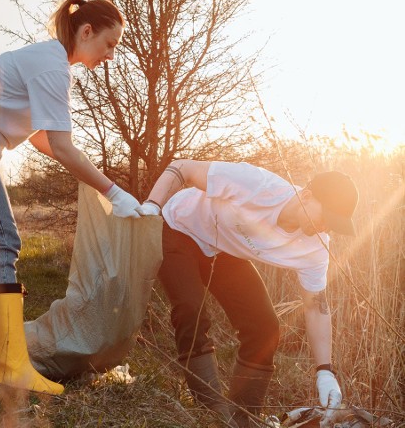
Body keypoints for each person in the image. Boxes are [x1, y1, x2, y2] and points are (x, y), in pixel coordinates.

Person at [0, 0, 144, 395]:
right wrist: (113, 191)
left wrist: (91, 176)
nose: (111, 55)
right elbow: (60, 145)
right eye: (109, 44)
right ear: (86, 31)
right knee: (1, 241)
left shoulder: (50, 62)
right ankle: (8, 365)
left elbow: (44, 139)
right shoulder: (52, 67)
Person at [141, 160, 357, 426]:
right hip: (179, 227)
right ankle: (211, 413)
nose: (326, 227)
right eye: (326, 216)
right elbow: (183, 167)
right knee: (191, 309)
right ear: (307, 196)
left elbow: (316, 306)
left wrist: (325, 371)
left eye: (334, 224)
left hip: (222, 250)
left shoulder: (315, 248)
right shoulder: (257, 184)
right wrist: (153, 205)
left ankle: (242, 417)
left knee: (265, 327)